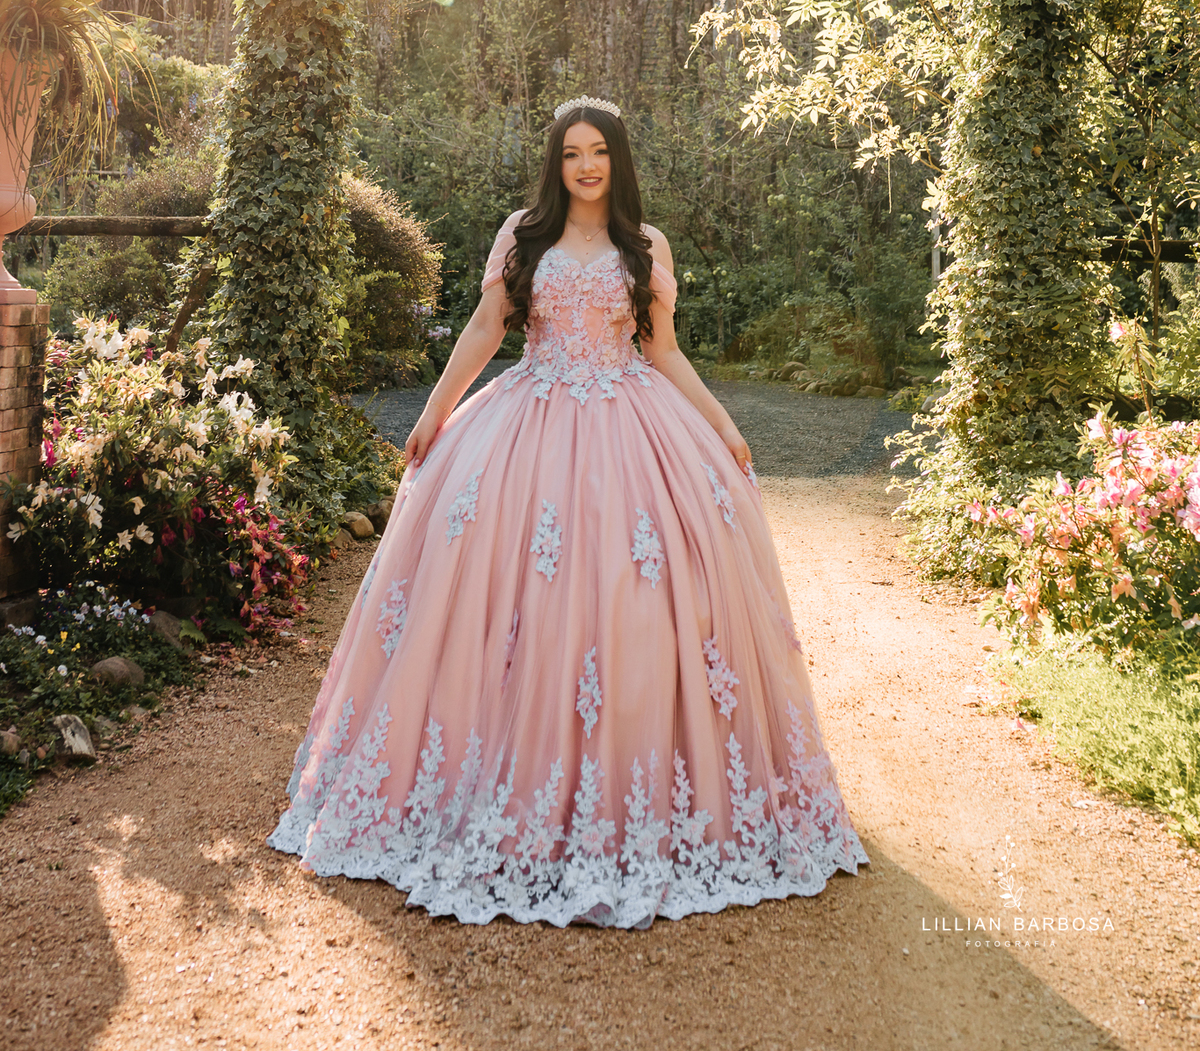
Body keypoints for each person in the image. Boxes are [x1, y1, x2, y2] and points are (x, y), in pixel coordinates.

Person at [269, 99, 868, 927]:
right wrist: (434, 414)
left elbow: (662, 349)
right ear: (556, 163)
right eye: (572, 153)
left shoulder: (645, 245)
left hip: (629, 423)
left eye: (599, 152)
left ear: (618, 160)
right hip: (531, 421)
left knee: (636, 595)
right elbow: (486, 328)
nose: (586, 166)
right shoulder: (524, 235)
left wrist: (724, 426)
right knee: (504, 595)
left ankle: (639, 800)